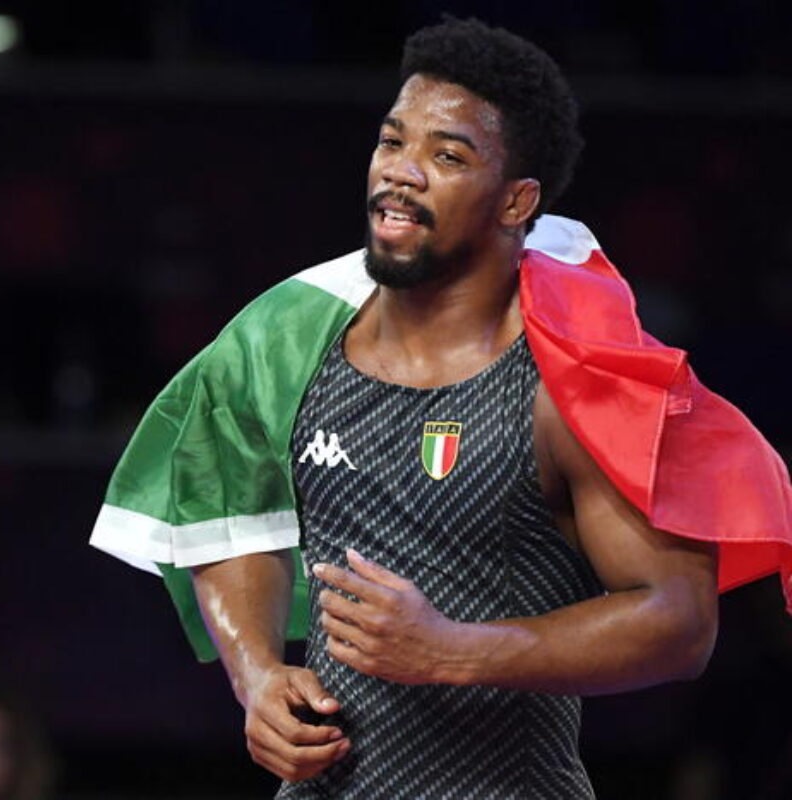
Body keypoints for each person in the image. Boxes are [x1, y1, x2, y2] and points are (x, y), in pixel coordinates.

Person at [90, 17, 792, 799]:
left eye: (447, 155)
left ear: (515, 201)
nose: (403, 173)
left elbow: (677, 623)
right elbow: (226, 500)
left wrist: (452, 650)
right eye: (393, 143)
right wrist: (256, 673)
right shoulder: (292, 344)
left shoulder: (570, 382)